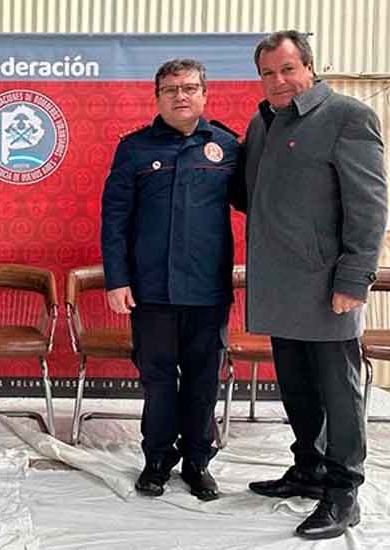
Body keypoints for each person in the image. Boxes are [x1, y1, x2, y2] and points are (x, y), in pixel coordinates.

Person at [240, 30, 388, 540]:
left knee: (339, 393)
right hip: (279, 287)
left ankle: (344, 491)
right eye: (267, 73)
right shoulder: (263, 124)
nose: (278, 81)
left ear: (309, 67)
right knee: (297, 388)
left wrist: (354, 278)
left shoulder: (348, 117)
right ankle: (309, 468)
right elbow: (247, 194)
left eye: (286, 70)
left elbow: (368, 208)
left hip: (329, 288)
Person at [101, 59, 242, 501]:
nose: (181, 96)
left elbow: (262, 206)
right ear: (157, 97)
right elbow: (114, 220)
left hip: (208, 290)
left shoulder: (229, 147)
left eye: (189, 88)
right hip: (153, 291)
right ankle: (157, 460)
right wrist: (117, 280)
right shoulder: (134, 149)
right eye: (170, 90)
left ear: (205, 93)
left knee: (203, 382)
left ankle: (198, 462)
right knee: (158, 381)